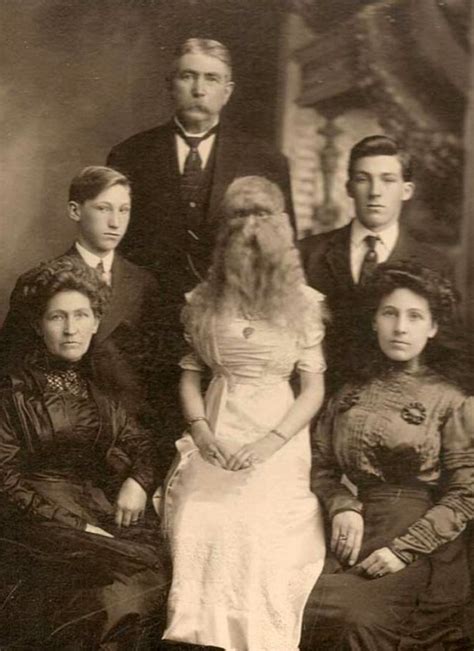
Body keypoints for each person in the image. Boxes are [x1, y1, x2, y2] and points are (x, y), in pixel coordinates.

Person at [107, 37, 296, 469]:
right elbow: (116, 246)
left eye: (211, 79)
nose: (199, 88)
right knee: (146, 441)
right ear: (170, 84)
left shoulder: (265, 160)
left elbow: (282, 251)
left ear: (227, 90)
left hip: (232, 328)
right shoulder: (131, 154)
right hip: (148, 322)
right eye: (188, 76)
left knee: (221, 448)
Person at [159, 177, 326, 651]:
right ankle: (196, 637)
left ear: (280, 231)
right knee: (198, 518)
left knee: (256, 526)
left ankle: (254, 639)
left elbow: (313, 389)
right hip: (217, 422)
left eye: (262, 218)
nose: (251, 229)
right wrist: (202, 434)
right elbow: (190, 377)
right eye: (240, 218)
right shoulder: (202, 301)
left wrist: (270, 443)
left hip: (278, 432)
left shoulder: (304, 303)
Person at [302, 262, 474, 650]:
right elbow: (320, 463)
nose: (400, 328)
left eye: (415, 317)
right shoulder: (349, 393)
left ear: (433, 327)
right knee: (296, 601)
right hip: (351, 530)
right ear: (374, 321)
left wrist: (402, 551)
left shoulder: (453, 401)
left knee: (353, 618)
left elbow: (466, 495)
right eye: (389, 313)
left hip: (421, 543)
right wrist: (342, 504)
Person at [0, 257, 168, 649]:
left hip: (91, 504)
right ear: (38, 325)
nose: (71, 329)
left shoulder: (97, 391)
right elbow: (4, 479)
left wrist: (138, 481)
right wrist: (76, 526)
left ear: (95, 322)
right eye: (57, 317)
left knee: (157, 569)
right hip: (33, 516)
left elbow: (143, 444)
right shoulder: (13, 392)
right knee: (115, 589)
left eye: (81, 315)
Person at [0, 166, 159, 424]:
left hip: (129, 423)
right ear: (75, 211)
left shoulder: (144, 283)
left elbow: (156, 372)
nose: (115, 222)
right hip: (61, 423)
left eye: (124, 210)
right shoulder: (39, 281)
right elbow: (11, 365)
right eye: (103, 208)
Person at [299, 135, 453, 393]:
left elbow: (445, 352)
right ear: (349, 188)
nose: (375, 192)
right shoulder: (307, 254)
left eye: (388, 180)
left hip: (399, 402)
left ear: (407, 190)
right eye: (363, 179)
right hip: (319, 398)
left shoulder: (434, 264)